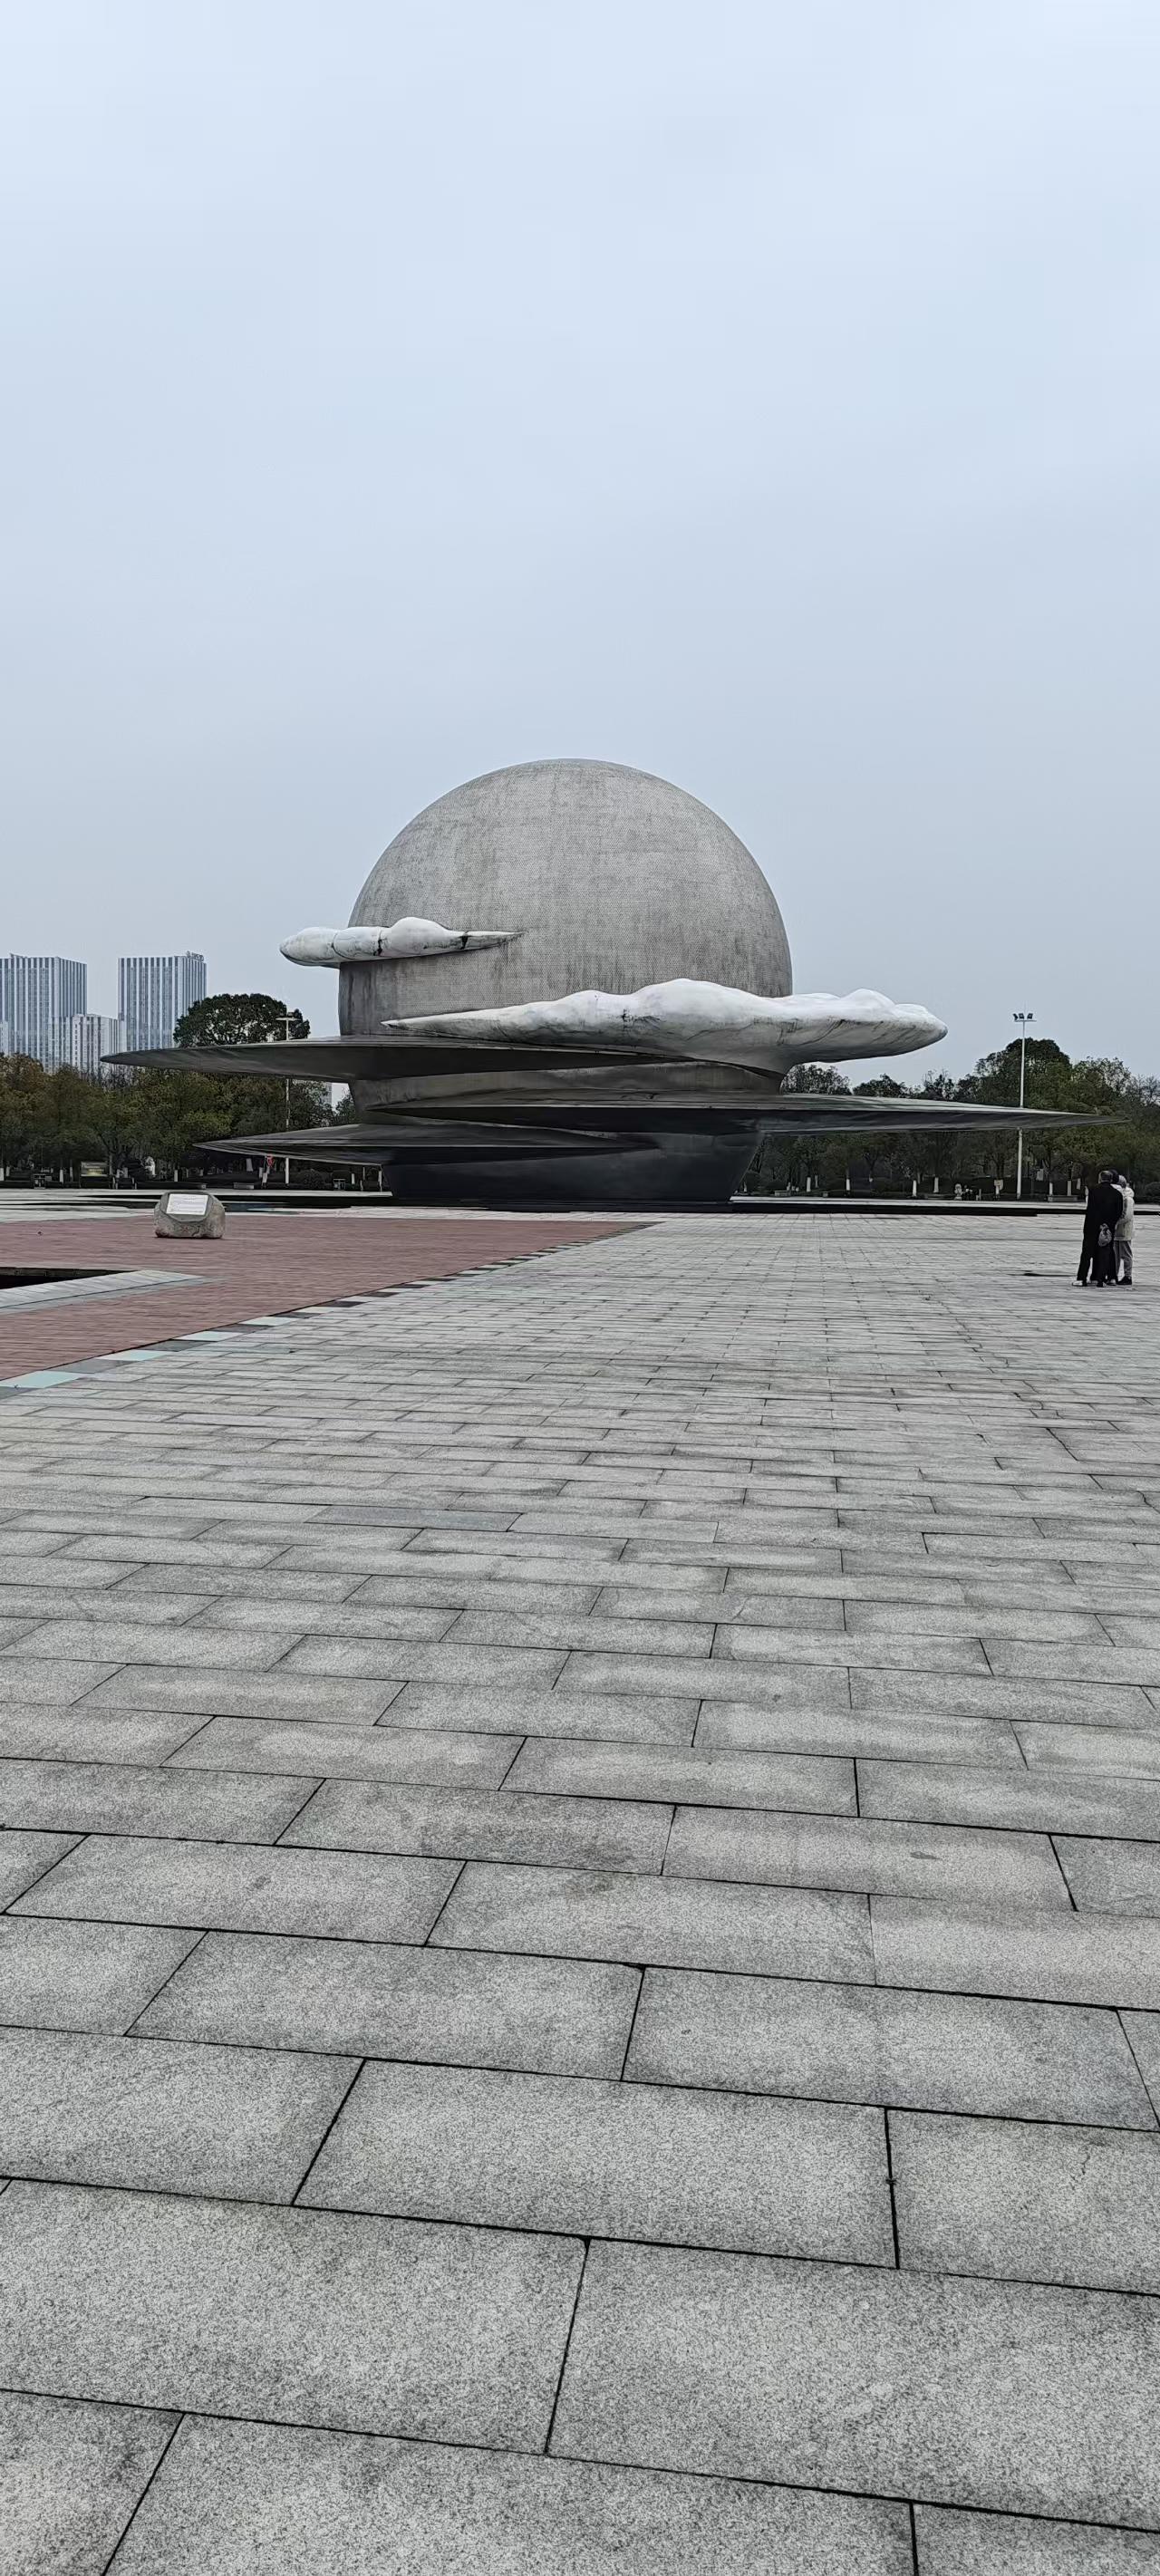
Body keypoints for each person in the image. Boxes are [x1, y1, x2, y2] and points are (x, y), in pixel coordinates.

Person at [1077, 1170, 1124, 1285]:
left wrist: (1097, 1224)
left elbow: (1091, 1210)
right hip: (1108, 1228)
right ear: (1111, 1180)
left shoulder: (1093, 1191)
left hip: (1092, 1227)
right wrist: (1108, 1224)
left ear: (1100, 1179)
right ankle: (1106, 1278)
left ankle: (1082, 1278)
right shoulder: (1117, 1194)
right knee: (1106, 1252)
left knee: (1087, 1253)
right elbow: (1119, 1212)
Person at [1115, 1172, 1135, 1285]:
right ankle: (1114, 1274)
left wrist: (1115, 1222)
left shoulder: (1128, 1199)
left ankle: (1128, 1276)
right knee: (1115, 1255)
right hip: (1117, 1230)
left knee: (1126, 1254)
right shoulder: (1120, 1197)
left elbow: (1127, 1216)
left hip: (1125, 1230)